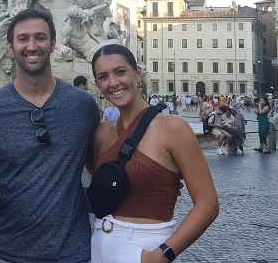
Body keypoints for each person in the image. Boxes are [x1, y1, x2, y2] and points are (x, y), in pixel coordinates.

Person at [0, 6, 100, 263]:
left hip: (72, 254)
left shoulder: (83, 106)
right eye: (23, 38)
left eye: (40, 37)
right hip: (7, 252)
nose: (32, 45)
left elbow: (100, 164)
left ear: (52, 43)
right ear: (10, 46)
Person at [90, 43, 218, 263]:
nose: (113, 83)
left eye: (120, 72)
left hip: (143, 248)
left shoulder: (173, 128)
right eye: (103, 77)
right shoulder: (101, 133)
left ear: (137, 73)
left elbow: (208, 204)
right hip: (99, 245)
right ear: (97, 85)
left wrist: (163, 255)